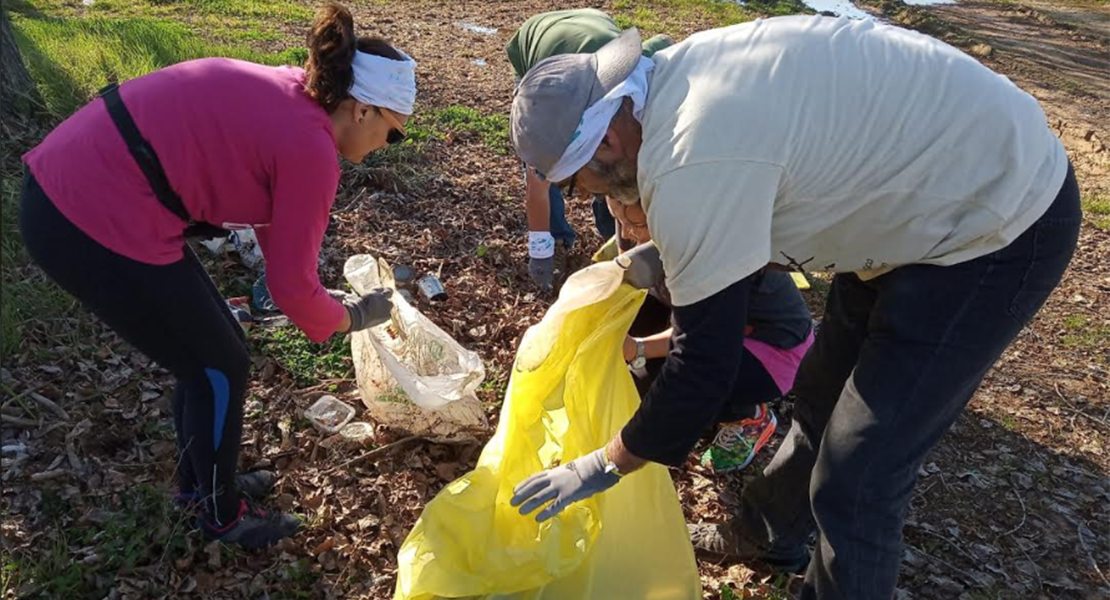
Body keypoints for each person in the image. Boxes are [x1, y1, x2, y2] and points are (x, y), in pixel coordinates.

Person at [507, 16, 1079, 600]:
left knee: (860, 471)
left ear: (604, 142)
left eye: (580, 185)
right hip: (912, 198)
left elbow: (703, 364)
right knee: (821, 397)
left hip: (996, 219)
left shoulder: (691, 158)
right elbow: (772, 186)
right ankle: (767, 534)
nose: (591, 199)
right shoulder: (673, 81)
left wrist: (602, 464)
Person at [18, 3, 410, 549]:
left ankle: (201, 486)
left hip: (81, 189)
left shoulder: (295, 98)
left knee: (209, 353)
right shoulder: (311, 146)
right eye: (394, 134)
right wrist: (349, 319)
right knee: (217, 364)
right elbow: (292, 293)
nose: (386, 149)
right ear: (364, 110)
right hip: (87, 212)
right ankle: (223, 517)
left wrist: (323, 298)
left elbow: (283, 252)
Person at [606, 201, 814, 472]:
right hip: (712, 326)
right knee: (642, 369)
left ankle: (748, 417)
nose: (626, 232)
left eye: (636, 225)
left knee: (669, 381)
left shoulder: (708, 250)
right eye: (617, 219)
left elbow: (702, 338)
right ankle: (711, 413)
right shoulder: (632, 207)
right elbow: (631, 281)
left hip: (774, 351)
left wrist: (638, 348)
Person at [505, 8, 671, 290]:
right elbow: (537, 191)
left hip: (596, 31)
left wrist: (625, 255)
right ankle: (556, 240)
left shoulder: (633, 76)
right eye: (571, 185)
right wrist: (540, 253)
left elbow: (663, 41)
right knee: (558, 172)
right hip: (538, 43)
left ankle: (608, 228)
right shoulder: (547, 109)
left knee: (607, 173)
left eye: (575, 185)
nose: (580, 196)